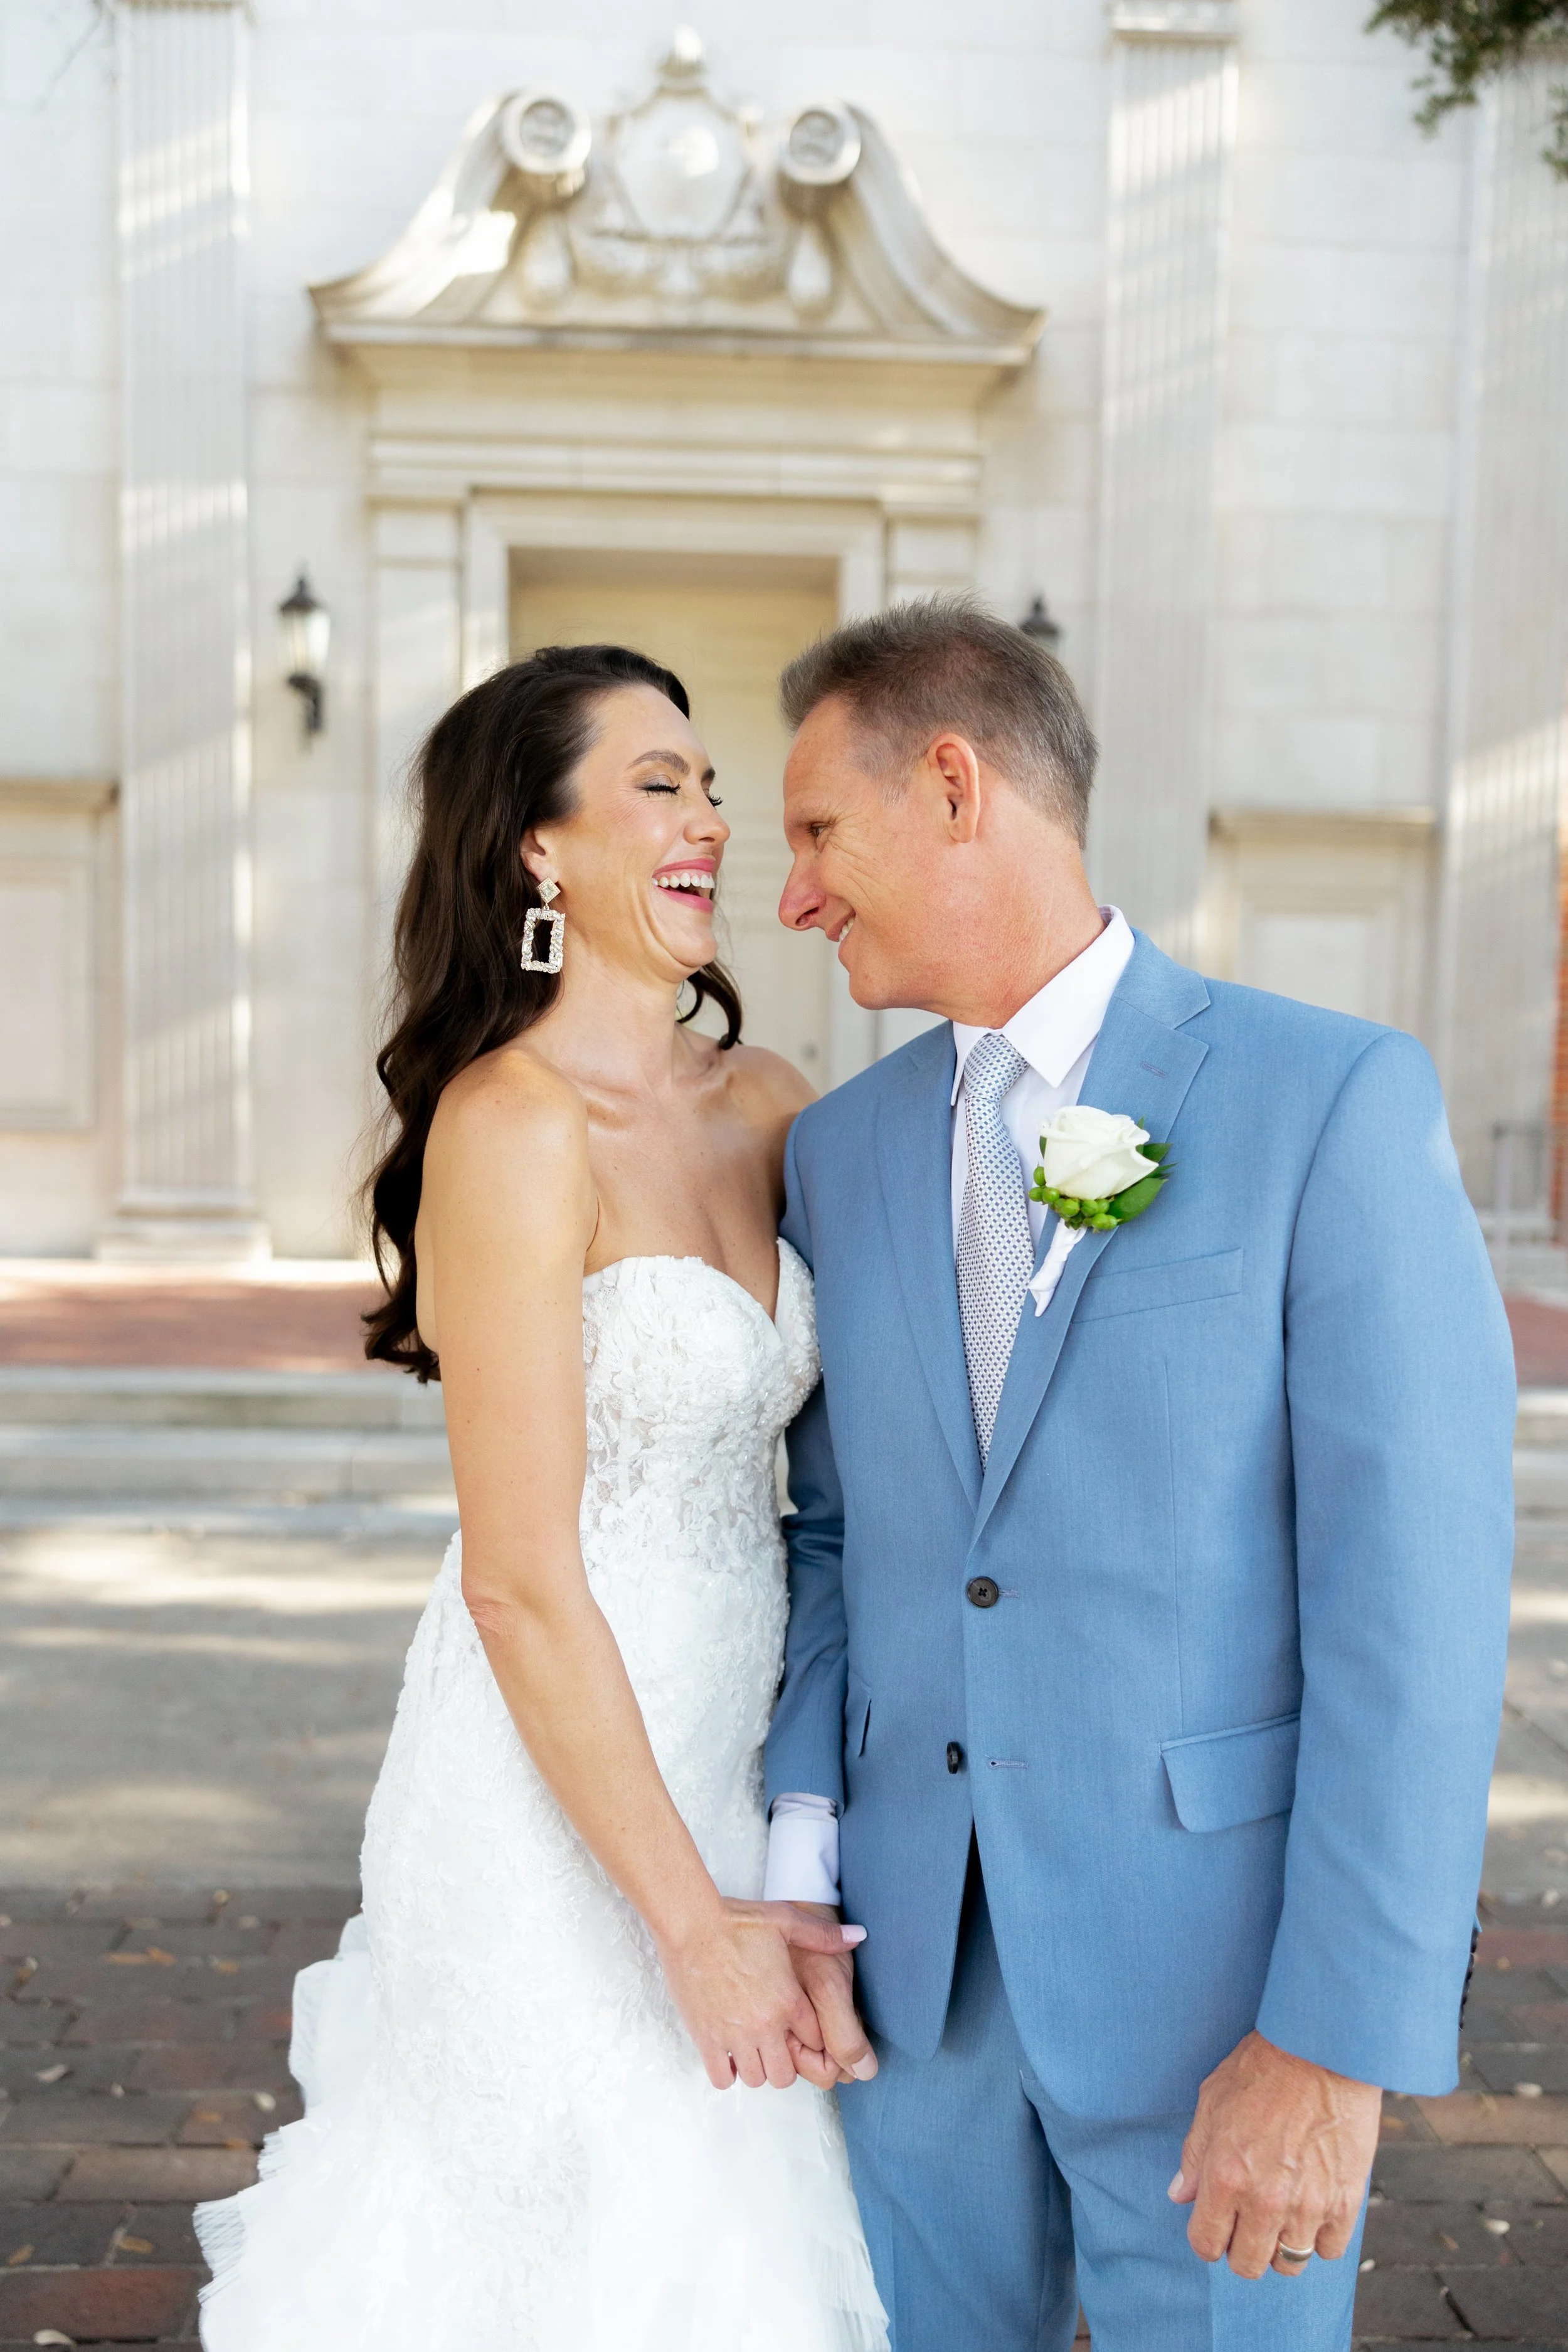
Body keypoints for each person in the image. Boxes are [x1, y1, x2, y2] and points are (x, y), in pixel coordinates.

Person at [760, 597, 1515, 2351]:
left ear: (953, 785)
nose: (790, 891)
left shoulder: (1324, 1098)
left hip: (1218, 2007)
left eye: (816, 831)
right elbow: (833, 1538)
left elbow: (1411, 1613)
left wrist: (1331, 2043)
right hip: (907, 2005)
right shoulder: (835, 1151)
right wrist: (802, 1848)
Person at [194, 644, 889, 2352]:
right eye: (658, 783)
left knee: (737, 2236)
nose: (709, 817)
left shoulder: (775, 1105)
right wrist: (689, 1923)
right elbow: (516, 1576)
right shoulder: (508, 1128)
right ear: (536, 848)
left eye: (709, 783)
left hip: (741, 1761)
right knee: (572, 2243)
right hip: (554, 1782)